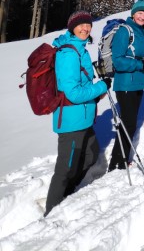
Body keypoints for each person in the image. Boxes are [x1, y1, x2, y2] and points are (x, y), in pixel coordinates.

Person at [45, 11, 109, 217]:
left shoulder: (81, 50)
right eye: (80, 25)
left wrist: (95, 92)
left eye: (88, 25)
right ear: (72, 27)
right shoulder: (68, 54)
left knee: (90, 154)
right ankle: (52, 211)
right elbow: (72, 92)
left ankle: (69, 192)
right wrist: (100, 88)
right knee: (65, 169)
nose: (85, 28)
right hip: (71, 120)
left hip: (84, 118)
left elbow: (81, 84)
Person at [108, 0, 144, 171]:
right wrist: (142, 64)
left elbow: (139, 55)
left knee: (130, 123)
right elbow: (118, 61)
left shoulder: (142, 31)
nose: (143, 16)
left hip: (137, 83)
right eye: (140, 12)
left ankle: (120, 159)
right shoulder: (124, 31)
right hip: (125, 85)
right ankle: (117, 163)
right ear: (133, 13)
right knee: (127, 123)